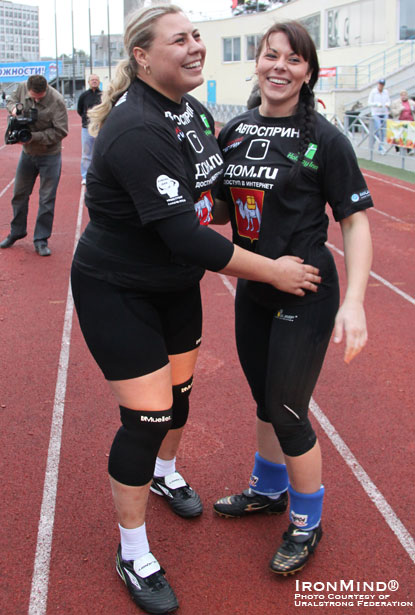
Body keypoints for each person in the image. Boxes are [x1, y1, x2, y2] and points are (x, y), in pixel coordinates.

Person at [70, 6, 321, 614]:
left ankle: (165, 472)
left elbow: (221, 198)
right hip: (118, 287)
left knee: (179, 399)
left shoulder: (196, 113)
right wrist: (273, 269)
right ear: (143, 56)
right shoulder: (135, 129)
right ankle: (134, 552)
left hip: (174, 286)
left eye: (197, 37)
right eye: (179, 39)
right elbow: (188, 235)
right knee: (148, 419)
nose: (195, 47)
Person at [212, 20, 373, 577]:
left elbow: (353, 223)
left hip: (306, 290)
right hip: (254, 285)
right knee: (263, 397)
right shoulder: (232, 130)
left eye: (293, 59)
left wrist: (354, 302)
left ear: (308, 71)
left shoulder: (325, 139)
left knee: (286, 407)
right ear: (257, 63)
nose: (279, 67)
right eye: (270, 56)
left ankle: (308, 521)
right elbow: (225, 211)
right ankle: (267, 489)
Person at [0, 75, 68, 256]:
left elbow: (61, 131)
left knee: (46, 199)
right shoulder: (21, 88)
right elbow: (10, 99)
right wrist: (13, 108)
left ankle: (41, 239)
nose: (37, 99)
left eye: (40, 96)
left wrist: (33, 137)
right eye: (34, 96)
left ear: (46, 88)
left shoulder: (57, 100)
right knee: (19, 194)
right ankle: (17, 231)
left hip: (50, 155)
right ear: (28, 88)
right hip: (28, 154)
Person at [77, 73, 102, 184]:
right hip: (86, 128)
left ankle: (100, 175)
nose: (94, 81)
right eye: (92, 80)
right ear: (88, 82)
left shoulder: (103, 95)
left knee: (100, 151)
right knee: (86, 152)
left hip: (100, 128)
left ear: (99, 82)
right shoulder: (83, 96)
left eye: (96, 80)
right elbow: (79, 110)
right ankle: (85, 176)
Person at [367, 78, 390, 153]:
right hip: (376, 113)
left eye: (382, 85)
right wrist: (376, 104)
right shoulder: (373, 92)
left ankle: (381, 147)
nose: (381, 86)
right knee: (378, 129)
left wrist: (387, 104)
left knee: (383, 131)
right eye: (380, 84)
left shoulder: (385, 92)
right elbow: (369, 103)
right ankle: (372, 143)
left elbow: (388, 101)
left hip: (384, 112)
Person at [390, 90, 415, 155]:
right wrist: (400, 109)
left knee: (408, 135)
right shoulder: (396, 102)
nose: (404, 96)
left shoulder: (411, 102)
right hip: (400, 121)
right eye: (402, 95)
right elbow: (393, 112)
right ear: (400, 96)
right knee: (398, 135)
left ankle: (409, 150)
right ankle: (398, 149)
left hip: (409, 121)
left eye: (405, 95)